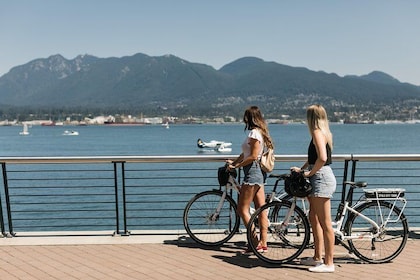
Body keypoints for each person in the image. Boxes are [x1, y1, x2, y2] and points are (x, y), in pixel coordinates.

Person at [291, 104, 336, 273]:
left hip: (321, 178)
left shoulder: (317, 132)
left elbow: (322, 158)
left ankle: (329, 263)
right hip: (320, 176)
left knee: (325, 223)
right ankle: (317, 257)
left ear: (311, 118)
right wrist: (303, 170)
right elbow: (314, 158)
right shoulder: (324, 132)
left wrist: (310, 174)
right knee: (314, 218)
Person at [227, 106, 274, 254]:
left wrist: (238, 166)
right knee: (261, 209)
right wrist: (234, 163)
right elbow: (245, 153)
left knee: (242, 208)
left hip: (252, 172)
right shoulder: (262, 132)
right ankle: (263, 243)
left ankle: (254, 242)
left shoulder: (254, 133)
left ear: (249, 118)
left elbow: (253, 156)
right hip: (259, 173)